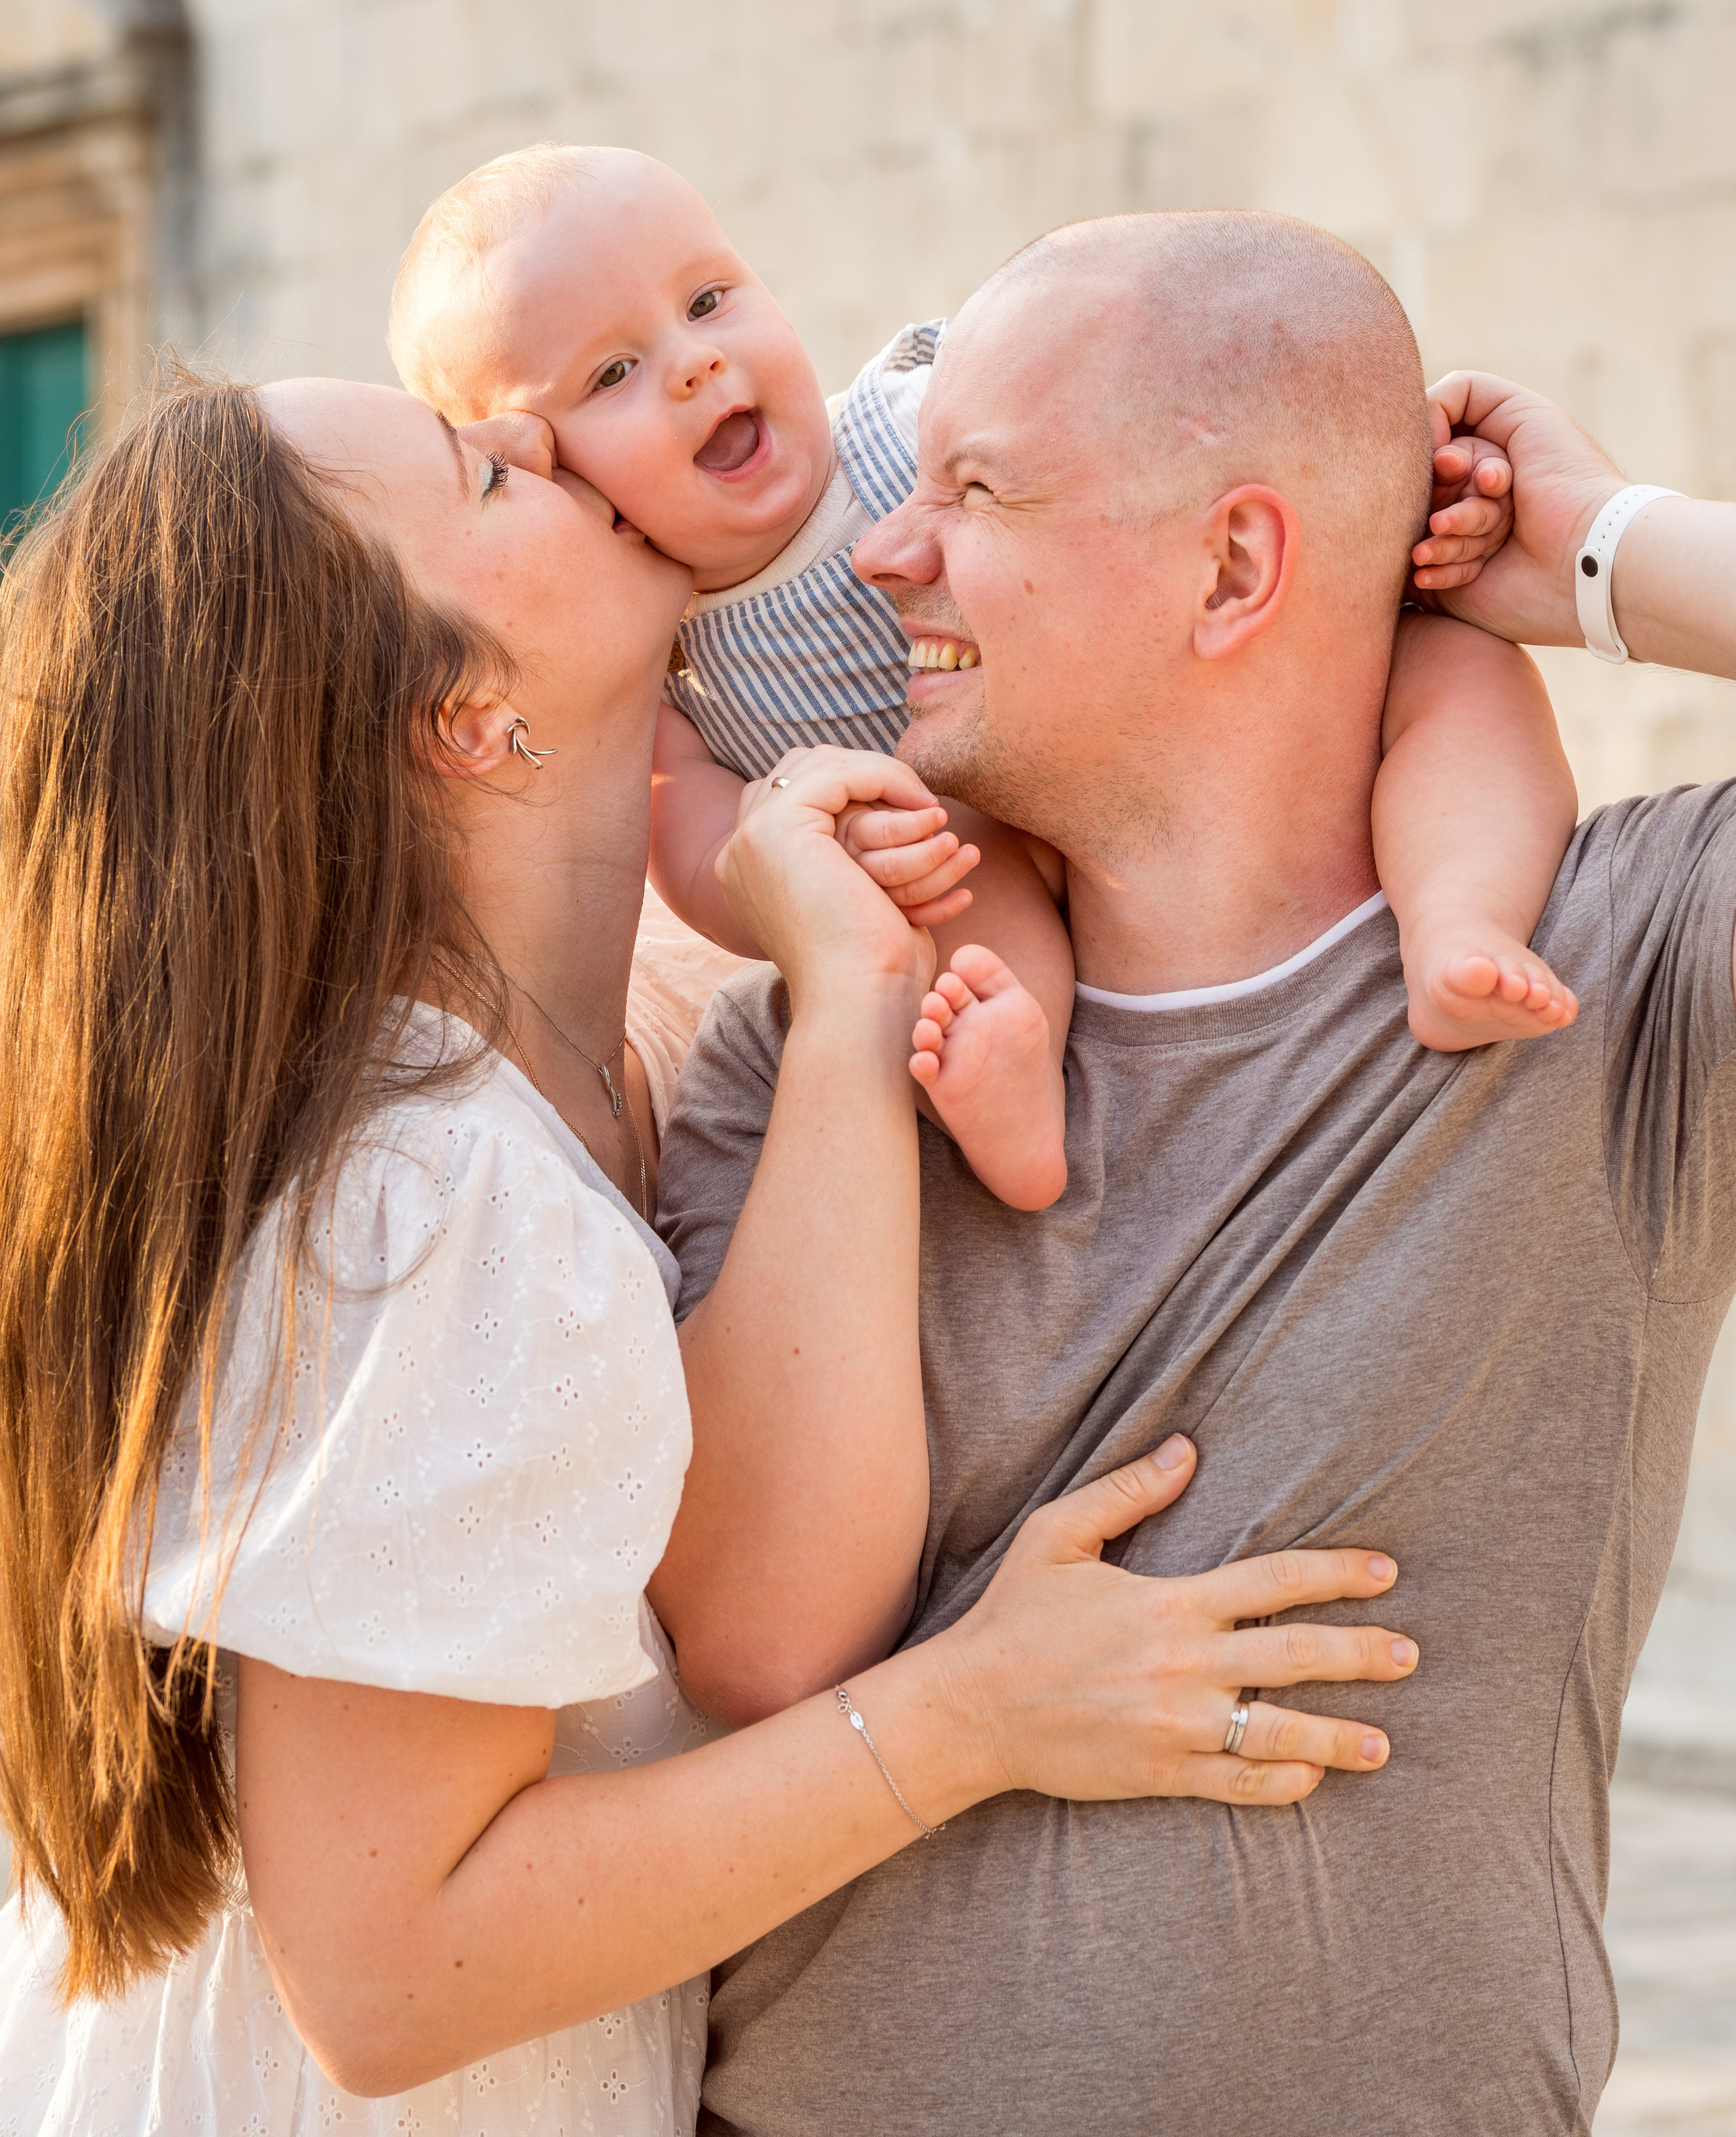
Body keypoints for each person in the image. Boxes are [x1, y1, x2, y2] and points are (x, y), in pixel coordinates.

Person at [0, 367, 1417, 2136]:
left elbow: (757, 1606)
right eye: (477, 474)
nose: (531, 431)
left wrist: (848, 986)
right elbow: (385, 1973)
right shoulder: (429, 1186)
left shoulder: (608, 1070)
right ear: (463, 716)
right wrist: (980, 1713)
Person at [657, 209, 1736, 2137]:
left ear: (1235, 564)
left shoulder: (1613, 971)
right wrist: (847, 1020)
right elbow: (757, 1643)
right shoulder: (815, 1041)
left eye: (974, 490)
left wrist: (1597, 550)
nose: (885, 553)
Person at [387, 144, 1579, 1215]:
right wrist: (807, 867)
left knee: (1460, 670)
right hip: (952, 830)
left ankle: (1460, 921)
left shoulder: (913, 420)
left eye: (708, 301)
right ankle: (1017, 1085)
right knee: (960, 898)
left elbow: (1199, 444)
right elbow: (698, 844)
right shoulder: (652, 632)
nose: (696, 363)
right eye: (612, 375)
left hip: (1161, 750)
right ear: (544, 468)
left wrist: (1433, 502)